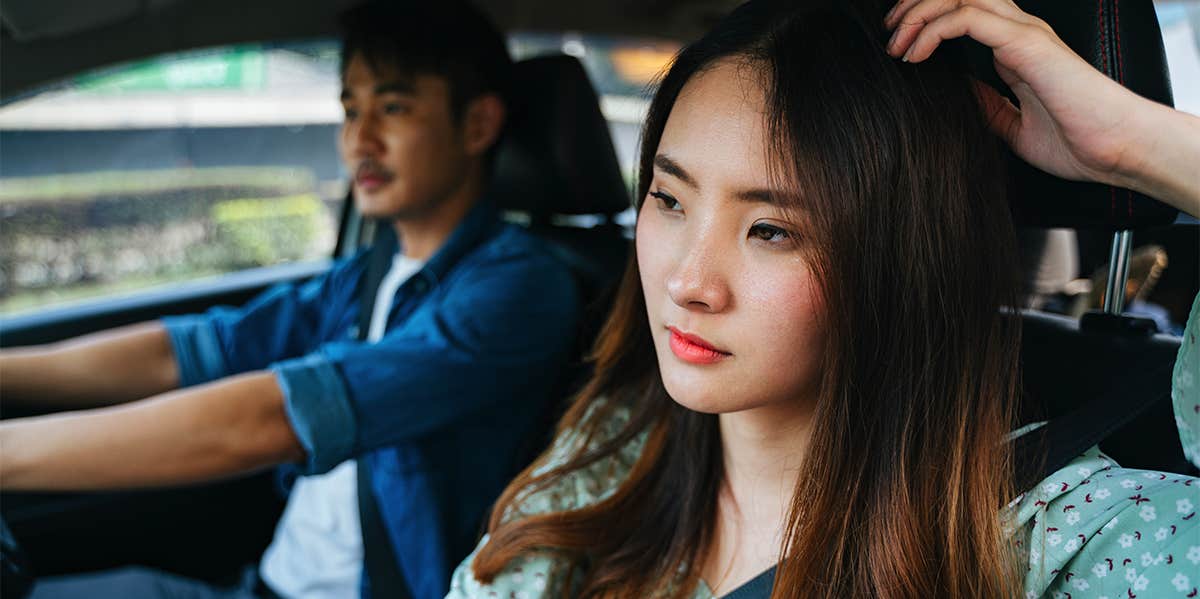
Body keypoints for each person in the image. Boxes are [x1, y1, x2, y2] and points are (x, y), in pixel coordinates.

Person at [445, 0, 1200, 597]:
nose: (687, 283)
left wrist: (1139, 149)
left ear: (900, 258)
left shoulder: (1067, 540)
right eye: (670, 199)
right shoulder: (615, 452)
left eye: (770, 229)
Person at [0, 2, 580, 598]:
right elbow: (190, 350)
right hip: (264, 583)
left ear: (479, 124)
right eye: (350, 111)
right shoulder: (365, 274)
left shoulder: (519, 291)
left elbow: (275, 419)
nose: (360, 138)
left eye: (394, 107)